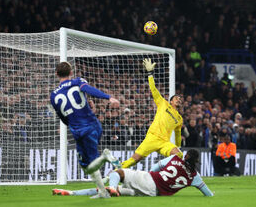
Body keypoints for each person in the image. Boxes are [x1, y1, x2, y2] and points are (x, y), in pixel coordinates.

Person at [50, 62, 120, 199]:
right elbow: (88, 89)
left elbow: (63, 118)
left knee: (89, 166)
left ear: (56, 74)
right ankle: (102, 192)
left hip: (80, 130)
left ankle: (105, 158)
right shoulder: (78, 81)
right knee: (87, 165)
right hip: (93, 125)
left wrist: (71, 122)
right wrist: (108, 97)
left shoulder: (53, 95)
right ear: (71, 72)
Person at [52, 149, 214, 197]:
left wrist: (147, 177)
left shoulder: (174, 158)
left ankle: (113, 188)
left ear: (185, 156)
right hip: (152, 193)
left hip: (150, 180)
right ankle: (71, 193)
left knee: (118, 172)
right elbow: (208, 194)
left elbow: (156, 168)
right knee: (103, 191)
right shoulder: (195, 176)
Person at [121, 58, 183, 168]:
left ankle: (164, 174)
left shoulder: (179, 118)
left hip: (164, 143)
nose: (179, 100)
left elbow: (178, 134)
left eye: (180, 99)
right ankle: (116, 172)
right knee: (135, 159)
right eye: (176, 98)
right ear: (171, 101)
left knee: (178, 154)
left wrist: (178, 146)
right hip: (152, 138)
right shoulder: (163, 104)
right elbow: (153, 89)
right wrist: (150, 74)